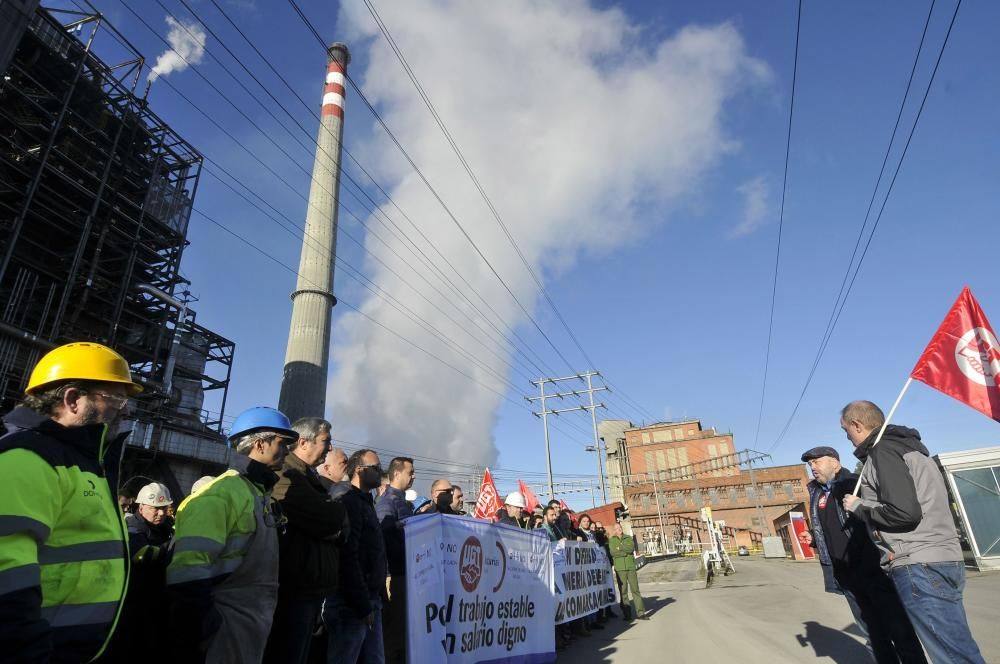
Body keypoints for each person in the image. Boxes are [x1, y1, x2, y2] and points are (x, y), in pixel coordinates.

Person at [0, 342, 138, 662]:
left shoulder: (85, 465)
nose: (124, 408)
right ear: (73, 399)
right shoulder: (27, 456)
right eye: (115, 396)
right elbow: (6, 578)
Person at [840, 400, 985, 664]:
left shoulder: (884, 451)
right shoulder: (911, 449)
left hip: (919, 563)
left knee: (952, 656)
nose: (847, 437)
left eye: (845, 430)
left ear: (856, 425)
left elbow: (904, 513)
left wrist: (860, 506)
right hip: (941, 557)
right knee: (957, 648)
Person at [168, 406, 297, 663]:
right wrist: (208, 626)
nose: (286, 452)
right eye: (282, 444)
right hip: (225, 626)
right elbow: (188, 571)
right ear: (260, 444)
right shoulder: (221, 494)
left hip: (250, 622)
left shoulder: (258, 493)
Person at [798, 446, 926, 663]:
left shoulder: (854, 484)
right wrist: (814, 537)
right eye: (810, 464)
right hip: (846, 575)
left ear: (835, 463)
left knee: (898, 628)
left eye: (817, 462)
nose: (813, 468)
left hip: (873, 568)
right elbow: (832, 527)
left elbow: (877, 517)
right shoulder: (818, 494)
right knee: (872, 633)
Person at [264, 417, 348, 664]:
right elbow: (328, 518)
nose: (330, 448)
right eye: (326, 441)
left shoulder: (307, 476)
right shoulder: (286, 473)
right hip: (293, 590)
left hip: (309, 589)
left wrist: (333, 519)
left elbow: (335, 519)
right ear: (303, 442)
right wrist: (333, 520)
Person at [324, 449, 387, 664]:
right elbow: (349, 556)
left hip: (369, 599)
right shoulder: (349, 501)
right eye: (376, 468)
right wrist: (361, 604)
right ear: (360, 470)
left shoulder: (365, 502)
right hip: (351, 605)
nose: (381, 472)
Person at [376, 457, 415, 664]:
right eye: (410, 472)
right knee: (393, 634)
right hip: (395, 575)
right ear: (397, 474)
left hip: (406, 573)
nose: (414, 476)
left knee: (402, 631)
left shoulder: (403, 502)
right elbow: (385, 538)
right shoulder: (387, 502)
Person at [610, 523, 648, 620]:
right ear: (614, 530)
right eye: (616, 528)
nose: (619, 529)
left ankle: (641, 613)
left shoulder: (628, 538)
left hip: (630, 567)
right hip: (620, 569)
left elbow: (631, 548)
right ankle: (627, 615)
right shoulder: (612, 540)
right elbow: (613, 553)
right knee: (623, 592)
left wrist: (620, 548)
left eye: (620, 527)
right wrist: (625, 551)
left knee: (635, 590)